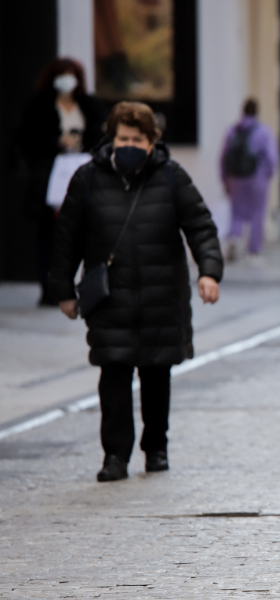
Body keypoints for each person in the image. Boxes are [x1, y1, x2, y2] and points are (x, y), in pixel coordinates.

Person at [49, 102, 223, 482]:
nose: (129, 144)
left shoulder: (173, 177)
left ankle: (155, 447)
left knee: (156, 376)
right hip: (109, 298)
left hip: (162, 296)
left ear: (151, 141)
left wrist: (209, 272)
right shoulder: (88, 178)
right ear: (111, 139)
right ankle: (115, 456)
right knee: (113, 377)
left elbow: (200, 227)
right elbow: (68, 239)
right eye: (123, 138)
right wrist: (63, 288)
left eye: (137, 139)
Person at [16, 57, 107, 306]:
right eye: (62, 74)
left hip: (82, 170)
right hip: (50, 175)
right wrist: (57, 141)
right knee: (50, 234)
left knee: (82, 232)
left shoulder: (88, 106)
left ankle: (82, 285)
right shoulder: (40, 106)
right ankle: (49, 288)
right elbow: (27, 140)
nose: (67, 80)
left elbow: (102, 135)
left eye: (72, 74)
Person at [220, 98, 280, 261]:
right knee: (257, 214)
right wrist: (268, 175)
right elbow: (272, 157)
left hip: (235, 179)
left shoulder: (233, 130)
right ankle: (253, 250)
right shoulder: (263, 131)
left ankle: (234, 238)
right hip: (256, 177)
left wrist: (225, 179)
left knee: (236, 212)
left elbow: (224, 156)